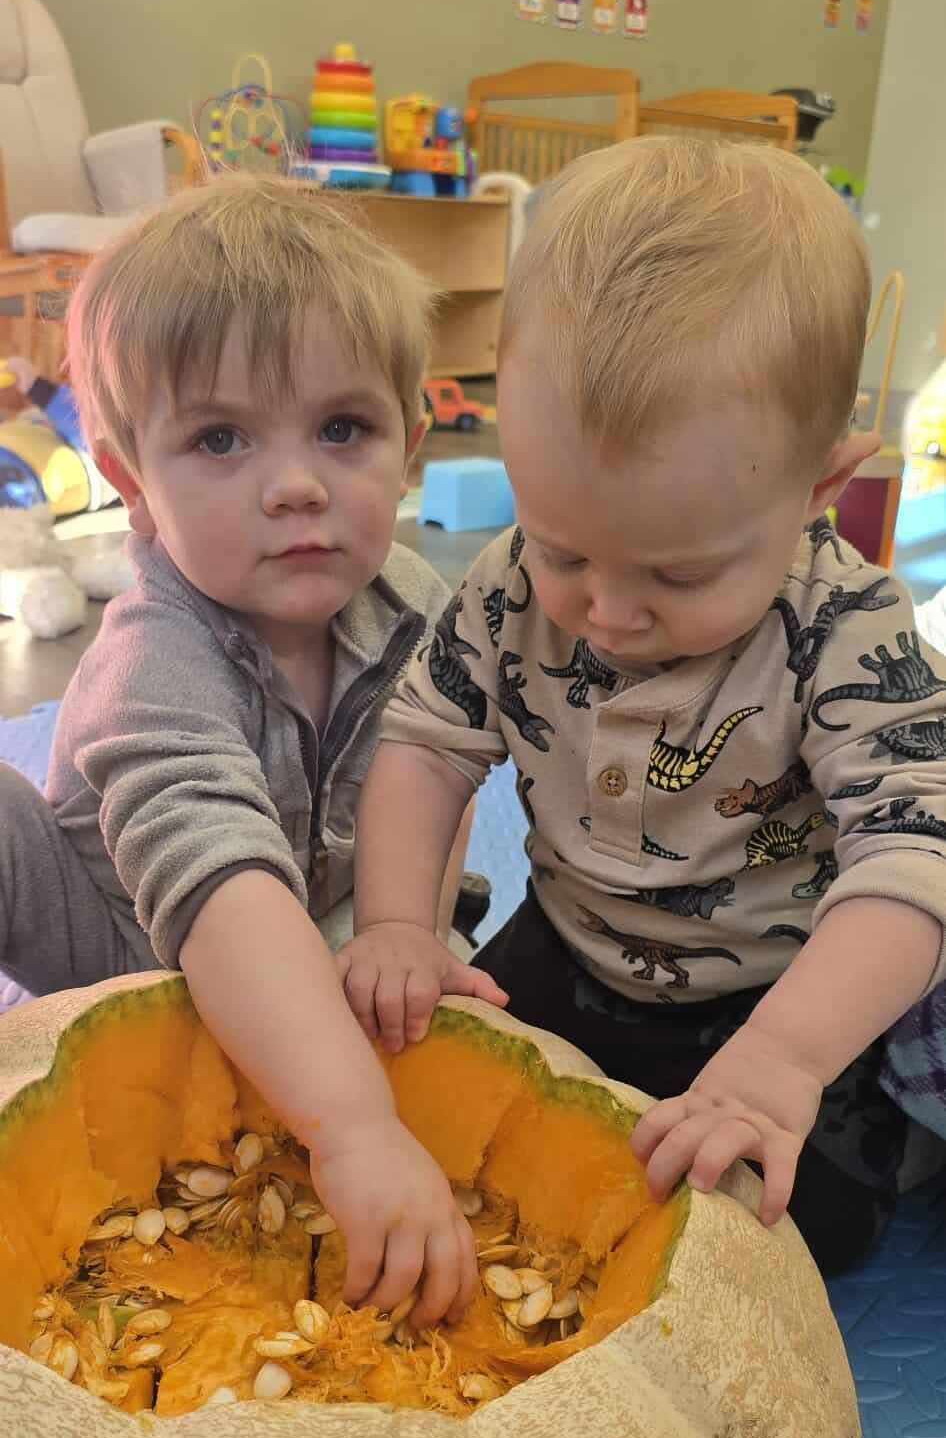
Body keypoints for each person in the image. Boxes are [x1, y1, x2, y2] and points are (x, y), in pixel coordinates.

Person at [341, 134, 946, 1278]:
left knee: (791, 1229)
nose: (605, 610)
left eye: (675, 575)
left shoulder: (846, 625)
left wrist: (786, 1058)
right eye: (566, 547)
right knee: (418, 1108)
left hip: (769, 993)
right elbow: (426, 744)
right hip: (568, 944)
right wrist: (395, 925)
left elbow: (918, 854)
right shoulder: (511, 578)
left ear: (817, 488)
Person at [0, 175, 505, 1325]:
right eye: (219, 438)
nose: (295, 485)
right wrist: (353, 1123)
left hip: (314, 922)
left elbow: (434, 769)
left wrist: (414, 929)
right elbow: (217, 875)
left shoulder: (416, 604)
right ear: (132, 483)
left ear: (411, 443)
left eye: (343, 428)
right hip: (119, 942)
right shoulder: (156, 656)